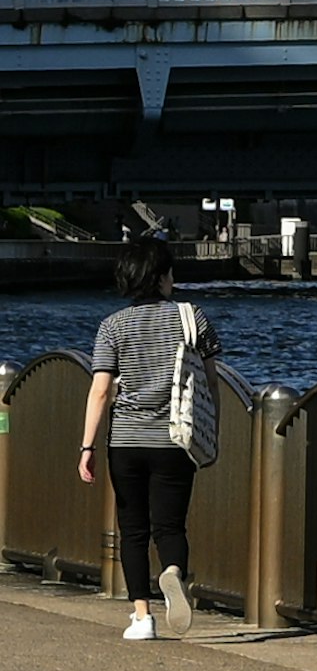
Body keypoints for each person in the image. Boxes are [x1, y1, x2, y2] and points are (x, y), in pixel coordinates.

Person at [78, 241, 216, 643]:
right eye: (170, 273)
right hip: (176, 439)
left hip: (126, 442)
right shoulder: (193, 318)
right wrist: (213, 432)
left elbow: (100, 390)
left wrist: (86, 447)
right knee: (170, 524)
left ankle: (143, 617)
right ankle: (173, 570)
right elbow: (209, 381)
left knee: (133, 528)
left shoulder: (113, 326)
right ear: (160, 277)